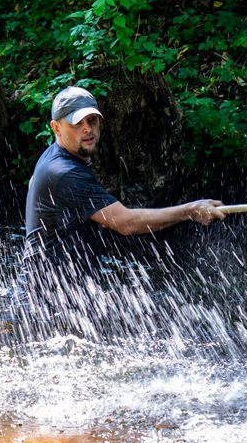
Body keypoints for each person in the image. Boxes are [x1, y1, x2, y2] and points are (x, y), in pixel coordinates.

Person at [14, 85, 222, 323]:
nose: (87, 129)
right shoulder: (64, 173)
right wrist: (191, 211)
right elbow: (126, 223)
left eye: (92, 120)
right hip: (44, 305)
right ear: (56, 128)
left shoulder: (58, 159)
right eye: (77, 123)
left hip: (62, 295)